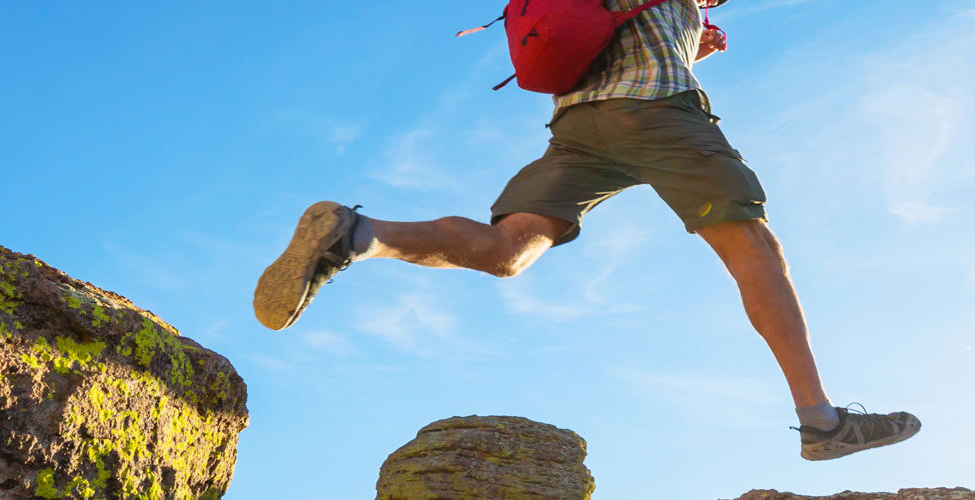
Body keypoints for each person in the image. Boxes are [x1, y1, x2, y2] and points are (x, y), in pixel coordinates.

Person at [251, 0, 918, 461]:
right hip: (659, 115)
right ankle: (821, 422)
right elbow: (648, 79)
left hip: (580, 127)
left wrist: (690, 46)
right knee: (755, 252)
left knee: (508, 250)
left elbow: (615, 53)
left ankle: (356, 236)